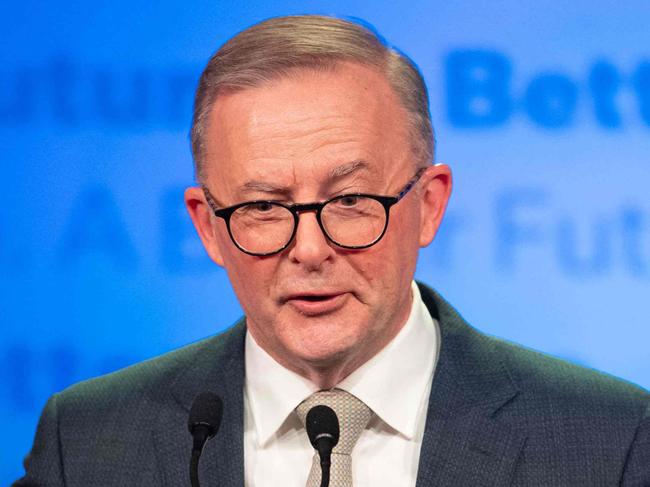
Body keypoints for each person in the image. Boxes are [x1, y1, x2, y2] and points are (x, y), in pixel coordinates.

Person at [15, 15, 649, 487]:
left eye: (350, 200)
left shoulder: (610, 442)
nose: (311, 249)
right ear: (208, 226)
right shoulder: (89, 444)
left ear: (428, 204)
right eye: (263, 207)